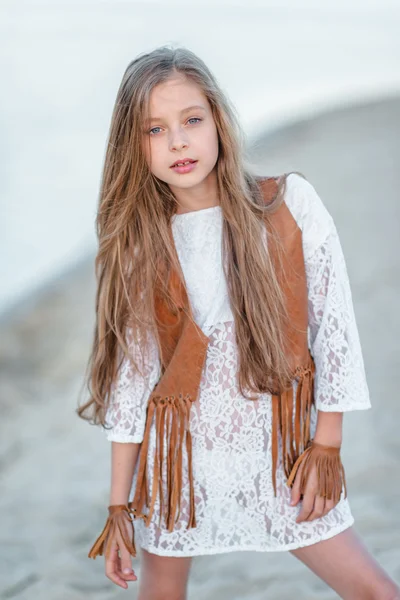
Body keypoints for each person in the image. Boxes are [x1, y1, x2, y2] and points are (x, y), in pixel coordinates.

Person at [77, 45, 400, 600]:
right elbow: (133, 385)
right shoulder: (141, 247)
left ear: (219, 123)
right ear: (133, 146)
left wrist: (327, 446)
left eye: (191, 120)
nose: (178, 141)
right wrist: (118, 507)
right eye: (154, 130)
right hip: (181, 462)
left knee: (373, 590)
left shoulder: (288, 204)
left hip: (281, 455)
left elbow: (336, 329)